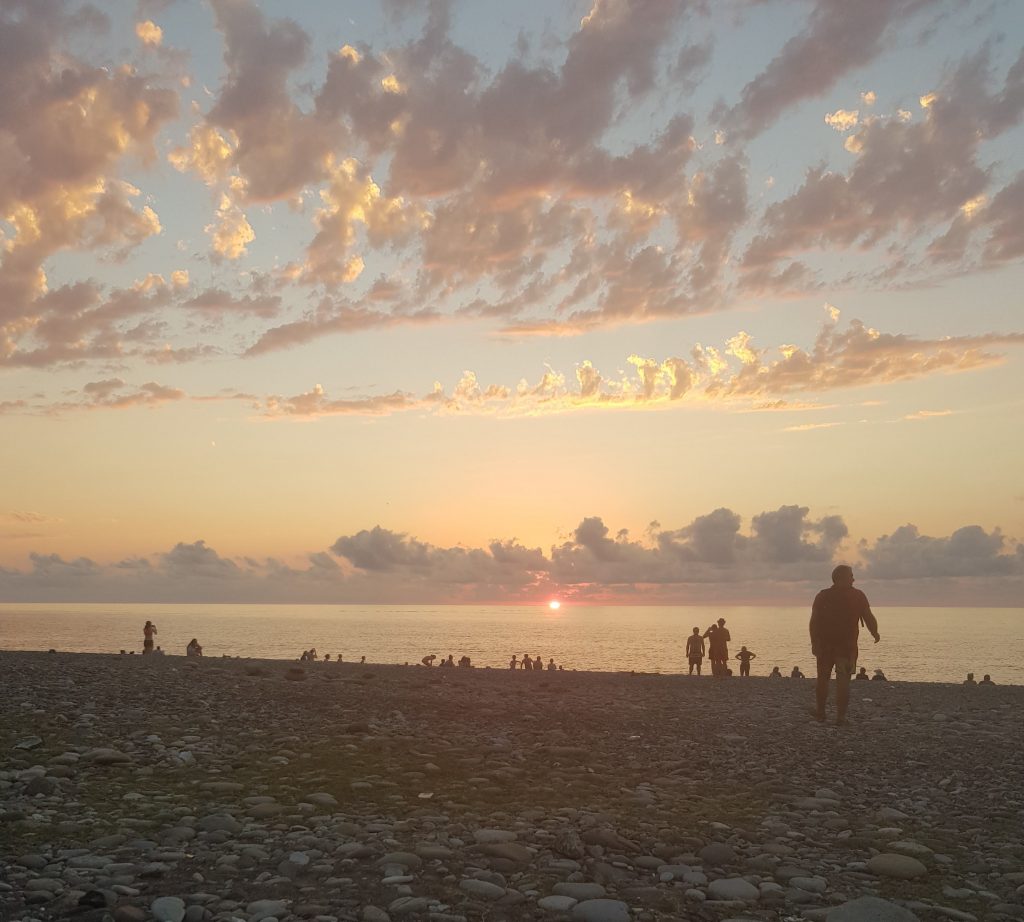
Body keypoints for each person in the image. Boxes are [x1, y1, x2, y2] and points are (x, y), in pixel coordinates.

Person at [809, 564, 880, 725]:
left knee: (823, 679)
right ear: (840, 578)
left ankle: (821, 713)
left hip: (825, 647)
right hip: (846, 648)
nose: (853, 579)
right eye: (851, 576)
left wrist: (814, 643)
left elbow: (813, 622)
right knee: (843, 681)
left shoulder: (822, 596)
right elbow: (868, 616)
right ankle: (840, 717)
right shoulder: (857, 596)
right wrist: (875, 632)